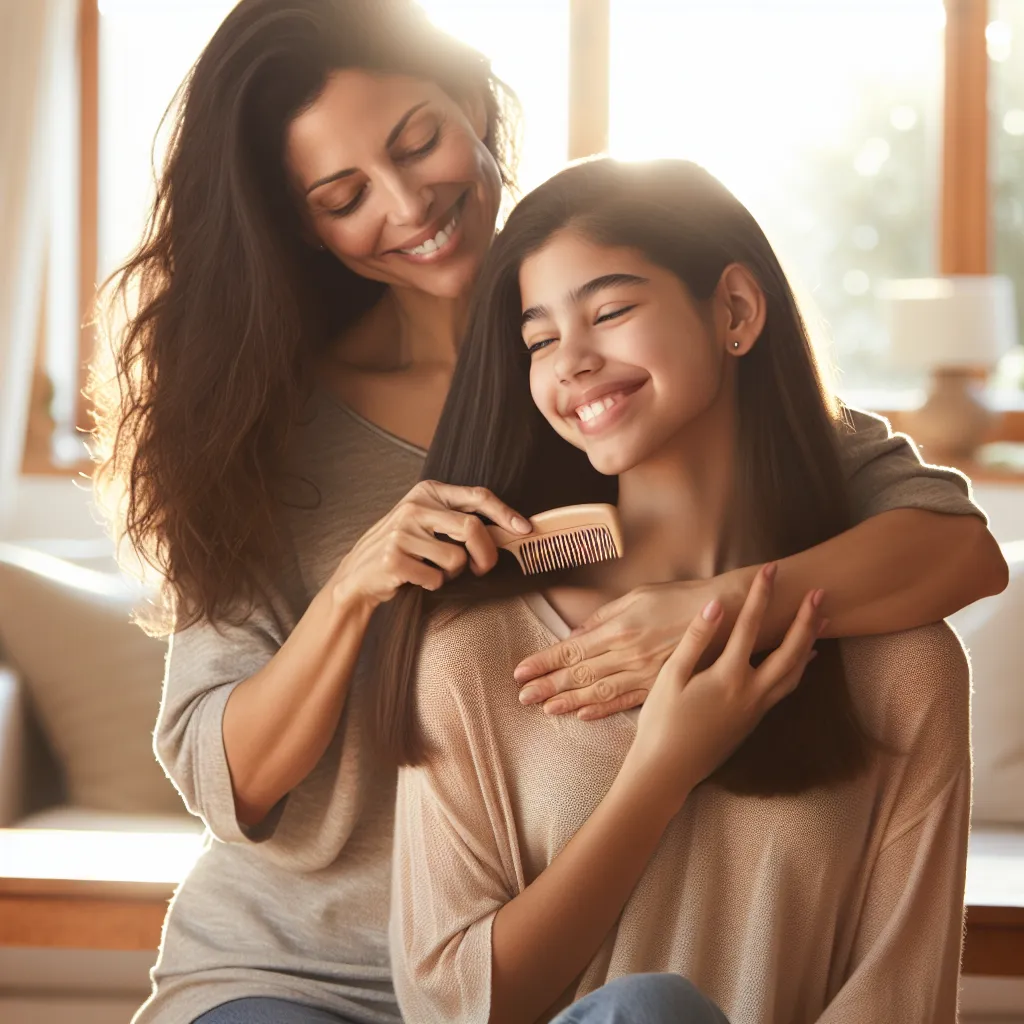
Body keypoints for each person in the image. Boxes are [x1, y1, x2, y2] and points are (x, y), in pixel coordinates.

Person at [85, 2, 1004, 1022]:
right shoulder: (268, 429)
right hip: (302, 968)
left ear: (473, 101)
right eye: (345, 194)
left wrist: (705, 610)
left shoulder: (632, 375)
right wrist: (352, 591)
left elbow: (957, 551)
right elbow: (230, 784)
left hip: (566, 964)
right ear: (303, 224)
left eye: (418, 140)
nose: (407, 203)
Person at [385, 158, 974, 1024]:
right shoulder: (477, 653)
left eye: (610, 311)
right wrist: (661, 768)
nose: (573, 361)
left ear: (735, 310)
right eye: (539, 339)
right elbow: (450, 1005)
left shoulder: (903, 663)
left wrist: (727, 611)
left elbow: (901, 992)